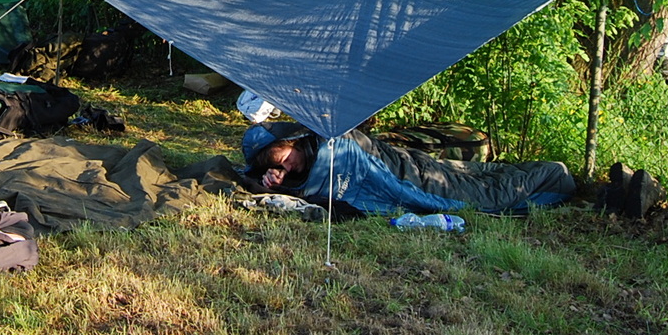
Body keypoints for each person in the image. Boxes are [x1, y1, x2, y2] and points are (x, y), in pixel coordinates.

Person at [242, 124, 576, 216]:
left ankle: (554, 176)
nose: (285, 166)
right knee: (475, 178)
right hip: (412, 165)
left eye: (283, 157)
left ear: (291, 141)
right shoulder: (298, 165)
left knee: (486, 196)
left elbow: (332, 173)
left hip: (409, 173)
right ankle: (545, 173)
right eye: (276, 166)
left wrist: (291, 185)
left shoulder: (330, 142)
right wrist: (277, 183)